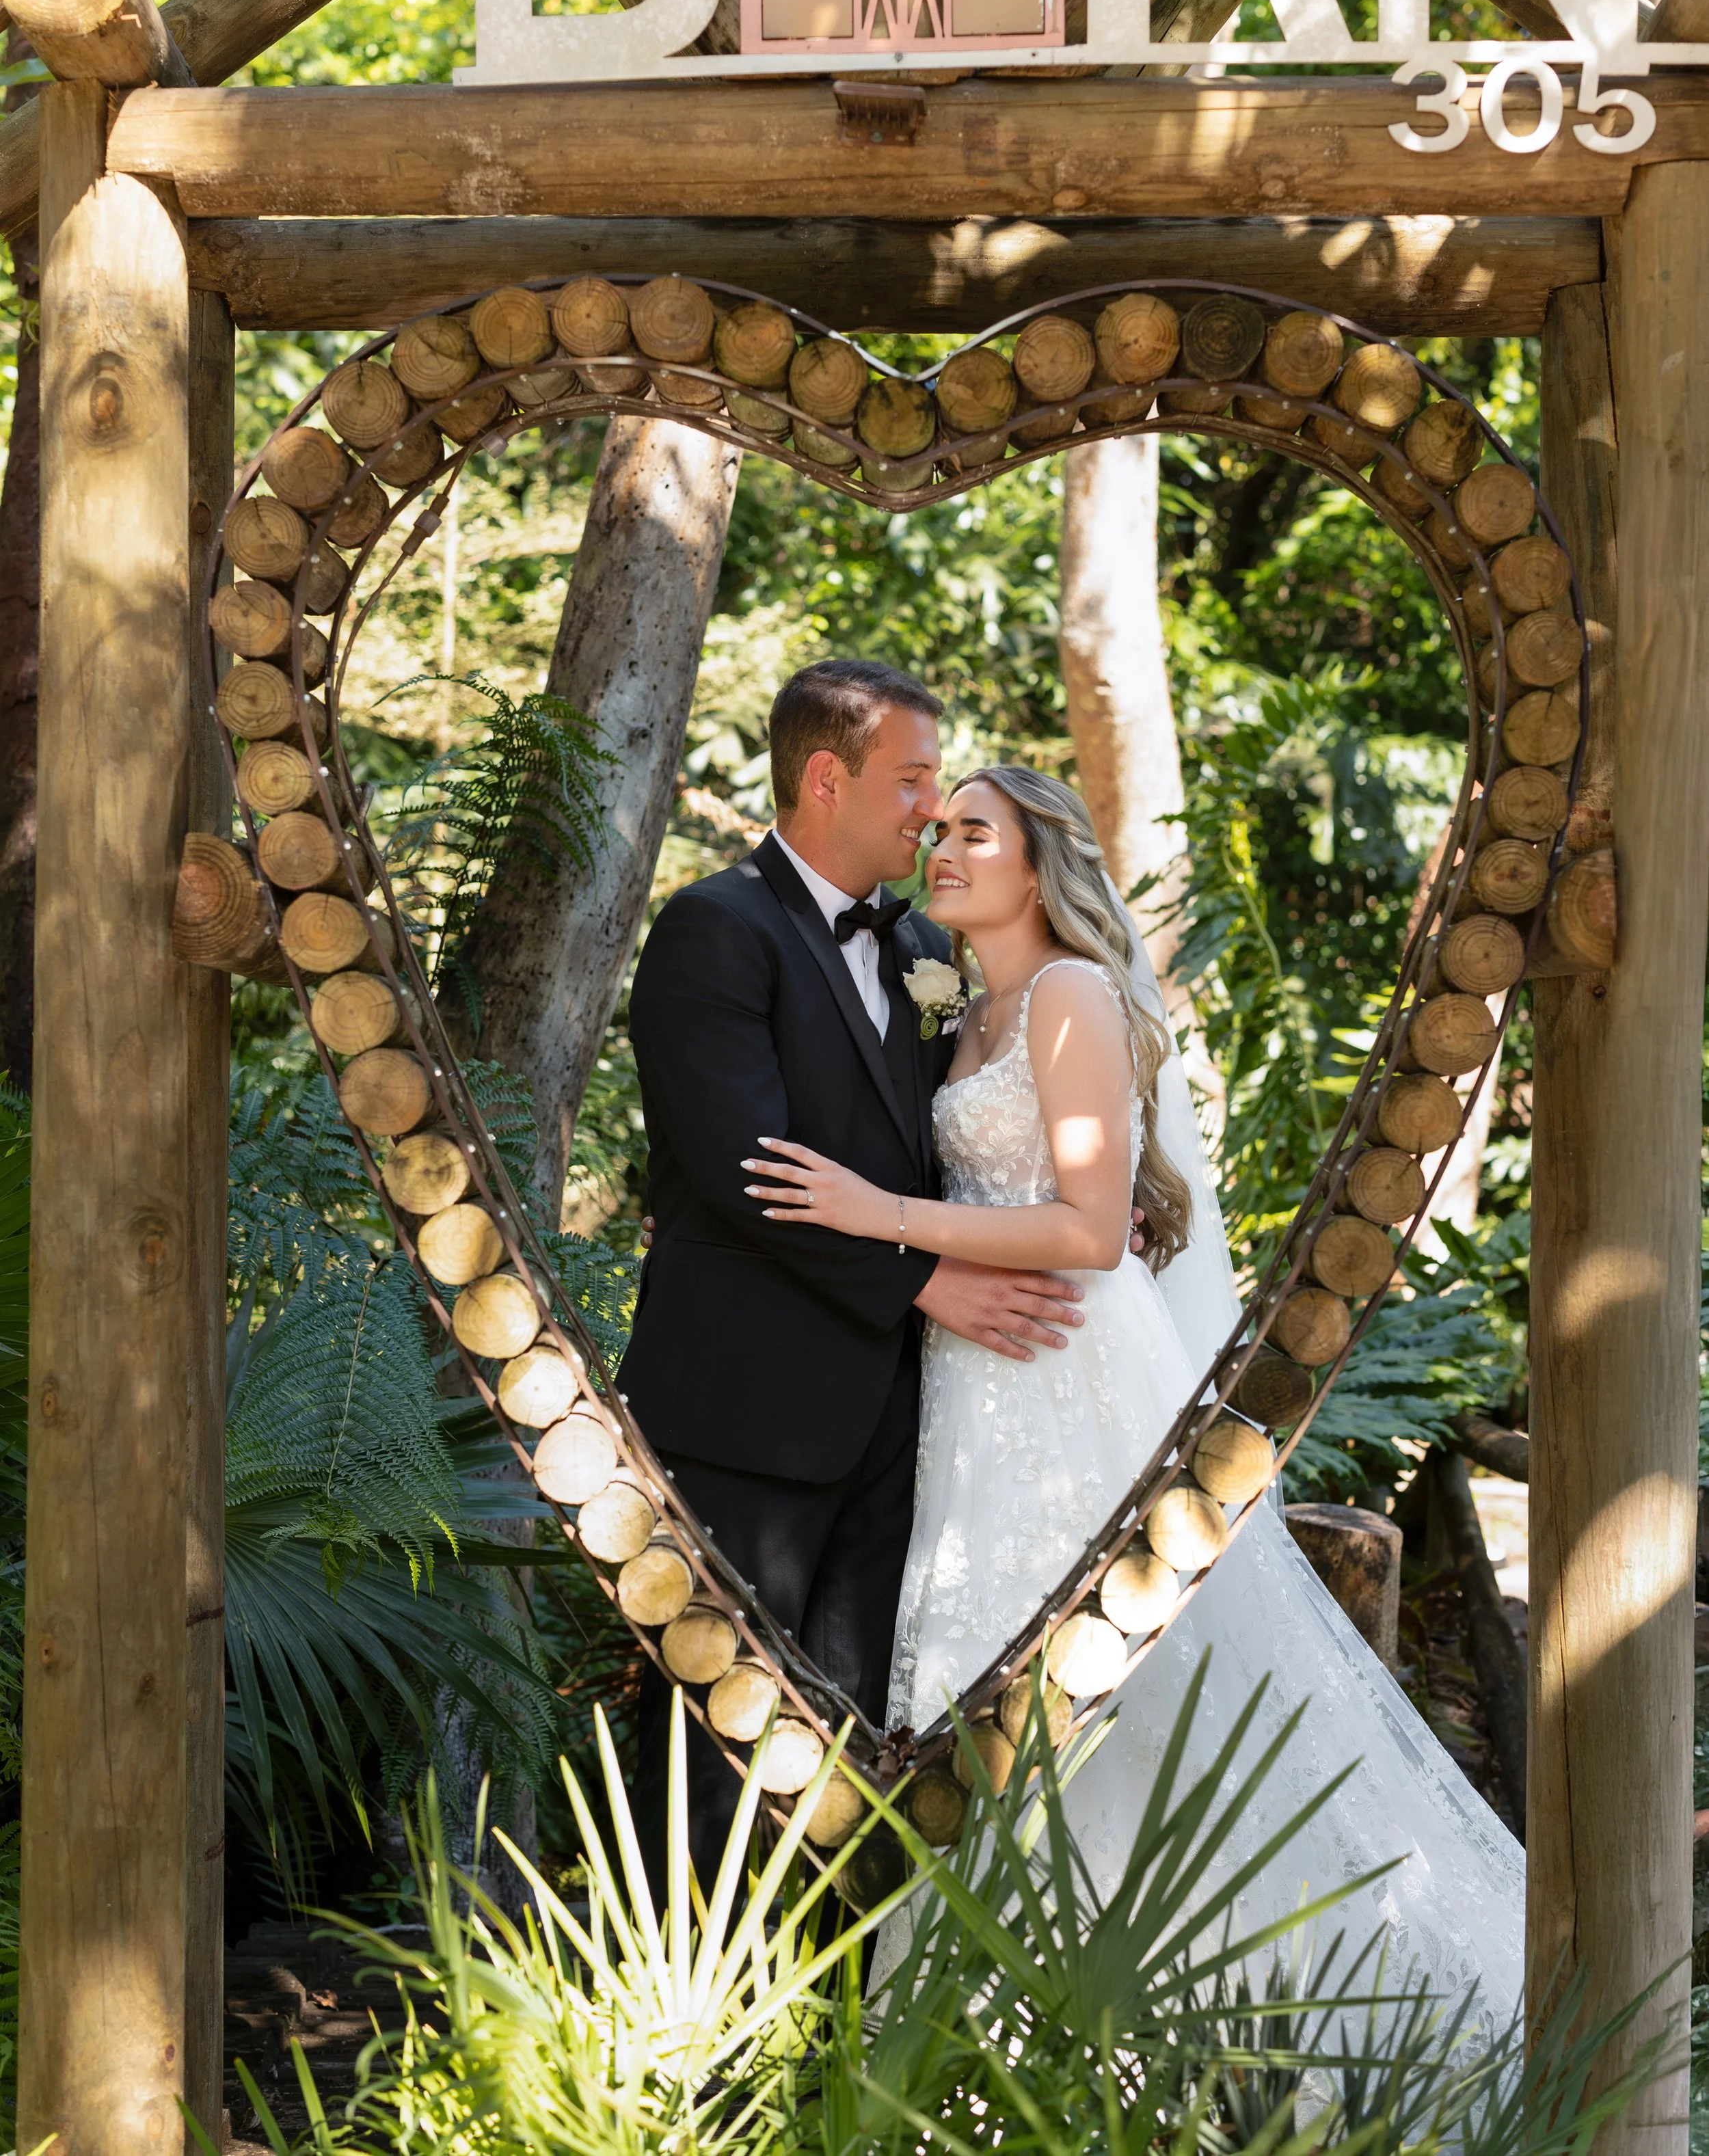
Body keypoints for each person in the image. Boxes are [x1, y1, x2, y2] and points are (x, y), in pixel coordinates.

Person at [742, 763, 1525, 2024]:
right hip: (969, 1385)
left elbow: (1095, 1222)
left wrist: (876, 1217)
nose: (941, 848)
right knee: (980, 1685)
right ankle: (1002, 2029)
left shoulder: (1069, 994)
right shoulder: (968, 1015)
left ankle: (1232, 2013)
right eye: (935, 831)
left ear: (1041, 860)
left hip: (1072, 1379)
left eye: (973, 831)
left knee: (1115, 1679)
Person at [621, 662, 1088, 1894]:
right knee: (716, 1744)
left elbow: (996, 1111)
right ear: (827, 778)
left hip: (898, 1424)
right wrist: (925, 1279)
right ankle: (682, 2032)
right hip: (743, 1417)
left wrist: (1110, 1196)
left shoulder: (931, 950)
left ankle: (823, 2029)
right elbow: (745, 1171)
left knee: (859, 1743)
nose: (933, 810)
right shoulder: (714, 928)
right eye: (914, 778)